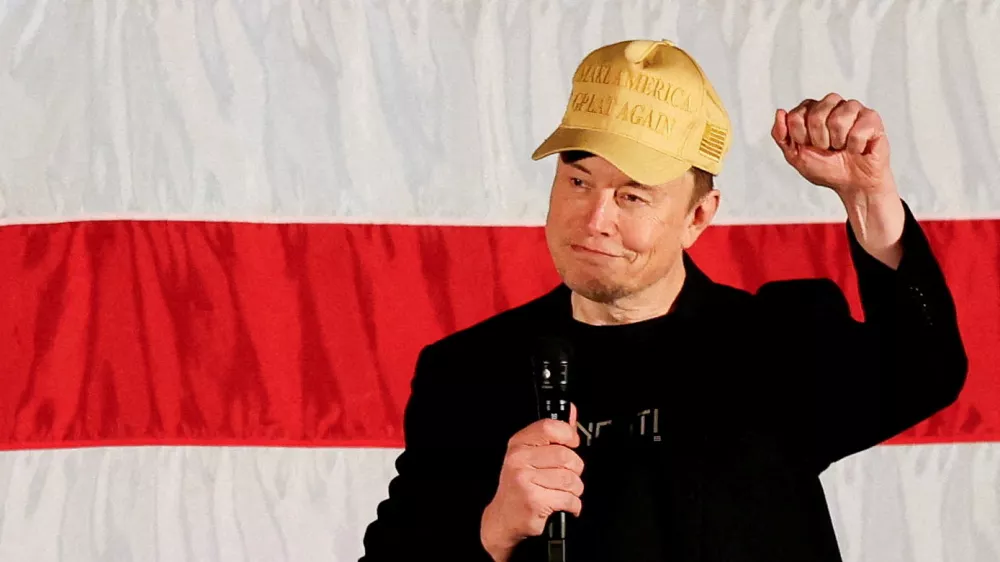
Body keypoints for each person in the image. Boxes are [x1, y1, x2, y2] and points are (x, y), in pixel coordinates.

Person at [358, 39, 967, 562]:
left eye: (633, 196)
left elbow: (925, 370)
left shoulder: (777, 343)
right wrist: (491, 531)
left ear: (698, 216)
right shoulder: (467, 371)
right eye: (578, 181)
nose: (593, 219)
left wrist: (867, 195)